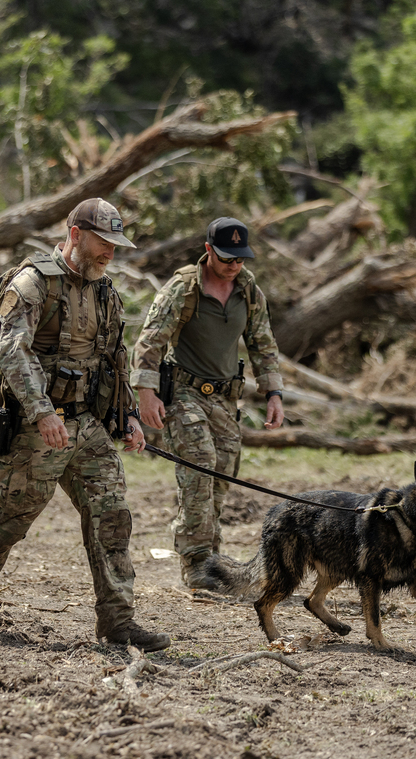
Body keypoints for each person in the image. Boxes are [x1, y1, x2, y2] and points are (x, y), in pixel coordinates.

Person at [0, 198, 170, 652]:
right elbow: (12, 351)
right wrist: (42, 411)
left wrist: (125, 417)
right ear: (76, 233)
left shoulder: (106, 292)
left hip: (87, 425)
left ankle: (118, 622)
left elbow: (113, 360)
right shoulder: (33, 283)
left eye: (116, 245)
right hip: (36, 426)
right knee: (10, 520)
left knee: (112, 517)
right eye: (104, 242)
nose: (110, 253)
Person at [130, 217, 285, 589]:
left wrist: (273, 392)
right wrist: (146, 394)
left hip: (226, 398)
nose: (234, 265)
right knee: (199, 468)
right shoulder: (183, 288)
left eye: (240, 258)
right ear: (208, 251)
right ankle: (196, 564)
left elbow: (263, 343)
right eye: (227, 257)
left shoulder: (247, 289)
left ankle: (212, 558)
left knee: (221, 476)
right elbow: (150, 342)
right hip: (183, 393)